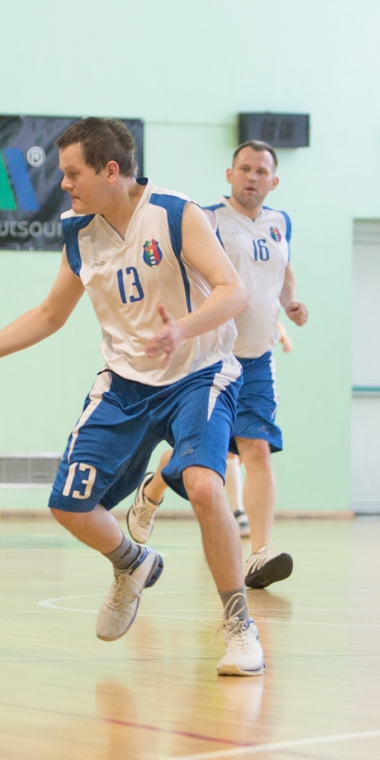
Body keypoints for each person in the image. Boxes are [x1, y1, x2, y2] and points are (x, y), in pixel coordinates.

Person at [0, 118, 265, 676]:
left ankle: (239, 625)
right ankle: (132, 563)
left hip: (199, 373)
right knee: (69, 504)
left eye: (72, 173)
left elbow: (234, 293)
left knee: (207, 486)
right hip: (126, 383)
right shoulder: (79, 233)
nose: (63, 183)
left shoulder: (176, 213)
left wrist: (181, 329)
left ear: (111, 171)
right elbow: (48, 314)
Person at [127, 141, 307, 591]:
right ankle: (152, 489)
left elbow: (282, 273)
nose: (252, 177)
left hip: (259, 361)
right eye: (244, 169)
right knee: (206, 452)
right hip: (214, 359)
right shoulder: (207, 219)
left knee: (256, 449)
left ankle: (259, 553)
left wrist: (293, 304)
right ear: (230, 174)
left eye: (261, 171)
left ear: (274, 180)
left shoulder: (281, 223)